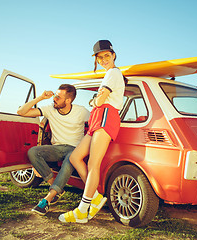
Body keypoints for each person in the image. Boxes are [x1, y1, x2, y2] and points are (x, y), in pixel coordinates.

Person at [59, 40, 126, 223]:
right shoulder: (109, 74)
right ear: (96, 59)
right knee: (75, 157)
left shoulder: (113, 73)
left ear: (113, 55)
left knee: (93, 165)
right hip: (99, 117)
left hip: (106, 116)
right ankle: (94, 197)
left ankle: (82, 210)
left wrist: (95, 101)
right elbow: (99, 99)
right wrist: (96, 101)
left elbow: (101, 99)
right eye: (100, 57)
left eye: (106, 55)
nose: (104, 59)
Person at [17, 84, 90, 216]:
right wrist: (40, 98)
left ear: (68, 100)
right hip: (57, 148)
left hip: (75, 149)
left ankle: (47, 200)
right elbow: (21, 112)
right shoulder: (50, 109)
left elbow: (97, 123)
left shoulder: (81, 111)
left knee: (70, 161)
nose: (54, 99)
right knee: (33, 152)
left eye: (58, 97)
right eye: (55, 95)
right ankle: (57, 188)